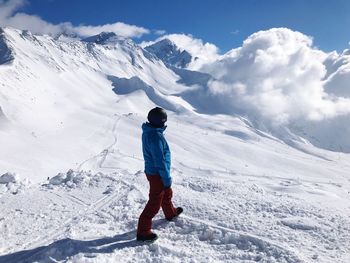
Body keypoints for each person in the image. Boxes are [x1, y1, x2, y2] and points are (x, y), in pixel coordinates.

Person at [136, 107, 183, 242]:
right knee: (155, 202)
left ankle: (170, 213)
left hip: (155, 171)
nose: (165, 123)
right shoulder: (155, 136)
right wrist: (166, 177)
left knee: (166, 193)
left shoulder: (150, 131)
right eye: (164, 121)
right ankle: (143, 231)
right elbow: (160, 161)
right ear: (160, 122)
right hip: (157, 173)